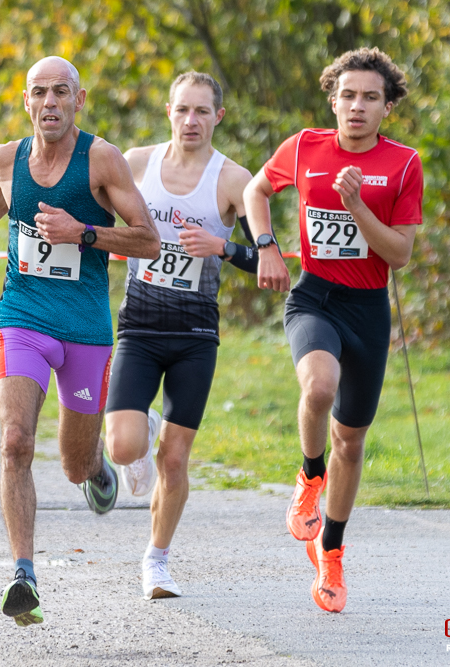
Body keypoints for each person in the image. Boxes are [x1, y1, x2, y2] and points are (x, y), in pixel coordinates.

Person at [0, 56, 160, 627]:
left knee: (73, 463)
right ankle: (24, 574)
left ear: (79, 100)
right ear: (25, 102)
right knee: (15, 440)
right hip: (22, 317)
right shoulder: (8, 159)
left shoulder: (102, 159)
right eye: (38, 92)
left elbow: (149, 241)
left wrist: (83, 232)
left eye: (60, 93)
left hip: (86, 328)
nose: (49, 103)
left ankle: (97, 469)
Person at [244, 48, 423, 613]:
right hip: (315, 297)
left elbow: (400, 254)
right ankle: (309, 475)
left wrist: (357, 207)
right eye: (348, 95)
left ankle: (333, 551)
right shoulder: (303, 147)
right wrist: (267, 246)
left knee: (352, 438)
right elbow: (255, 191)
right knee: (318, 388)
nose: (357, 106)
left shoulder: (403, 163)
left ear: (387, 107)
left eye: (370, 97)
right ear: (333, 99)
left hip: (367, 308)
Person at [103, 71, 257, 600]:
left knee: (176, 458)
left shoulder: (235, 180)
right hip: (139, 327)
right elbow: (98, 223)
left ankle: (157, 560)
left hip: (195, 333)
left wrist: (223, 247)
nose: (190, 121)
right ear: (168, 111)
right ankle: (140, 428)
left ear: (218, 116)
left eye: (201, 111)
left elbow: (268, 258)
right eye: (181, 110)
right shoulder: (135, 164)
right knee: (124, 448)